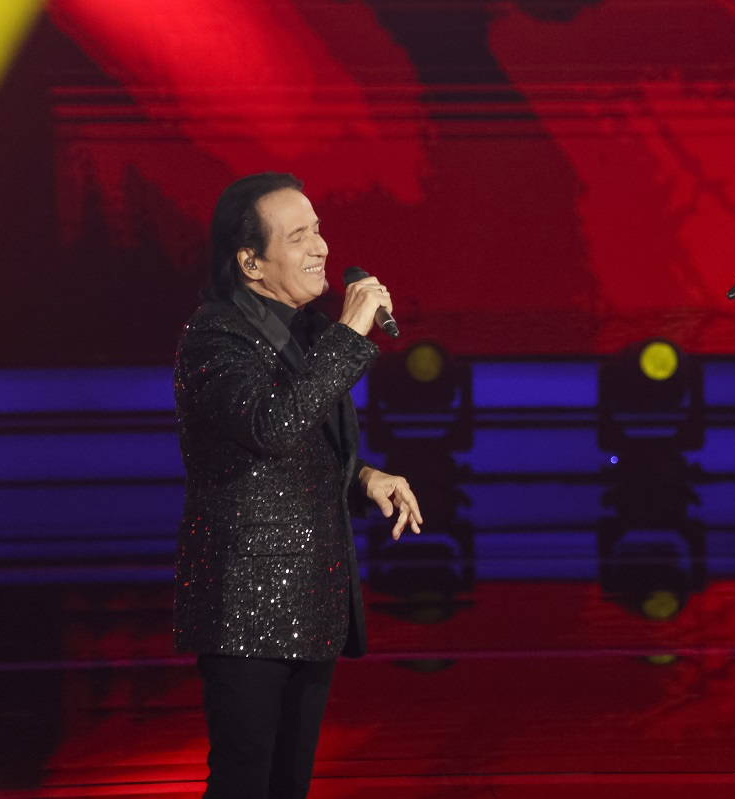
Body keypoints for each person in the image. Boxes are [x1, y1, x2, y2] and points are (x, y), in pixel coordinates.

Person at [173, 172, 423, 798]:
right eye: (298, 236)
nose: (321, 247)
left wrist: (364, 476)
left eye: (317, 229)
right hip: (246, 604)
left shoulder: (305, 331)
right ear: (250, 262)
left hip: (312, 598)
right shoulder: (215, 335)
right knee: (243, 781)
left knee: (289, 784)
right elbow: (270, 425)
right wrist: (349, 333)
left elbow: (298, 443)